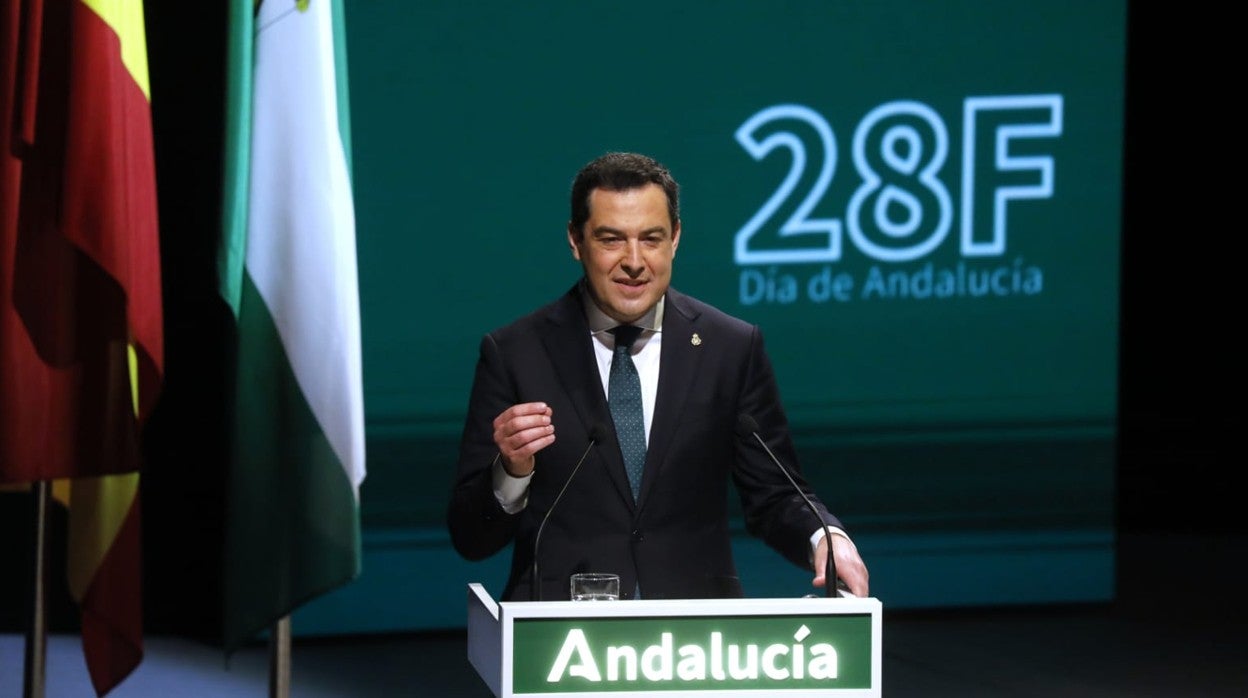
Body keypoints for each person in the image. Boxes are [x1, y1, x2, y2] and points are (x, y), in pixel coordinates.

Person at [447, 152, 869, 602]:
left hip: (691, 641)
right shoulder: (516, 353)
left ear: (676, 238)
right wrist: (511, 472)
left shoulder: (730, 348)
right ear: (575, 240)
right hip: (558, 640)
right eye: (611, 240)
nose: (634, 261)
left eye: (651, 238)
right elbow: (471, 539)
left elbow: (776, 493)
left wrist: (826, 540)